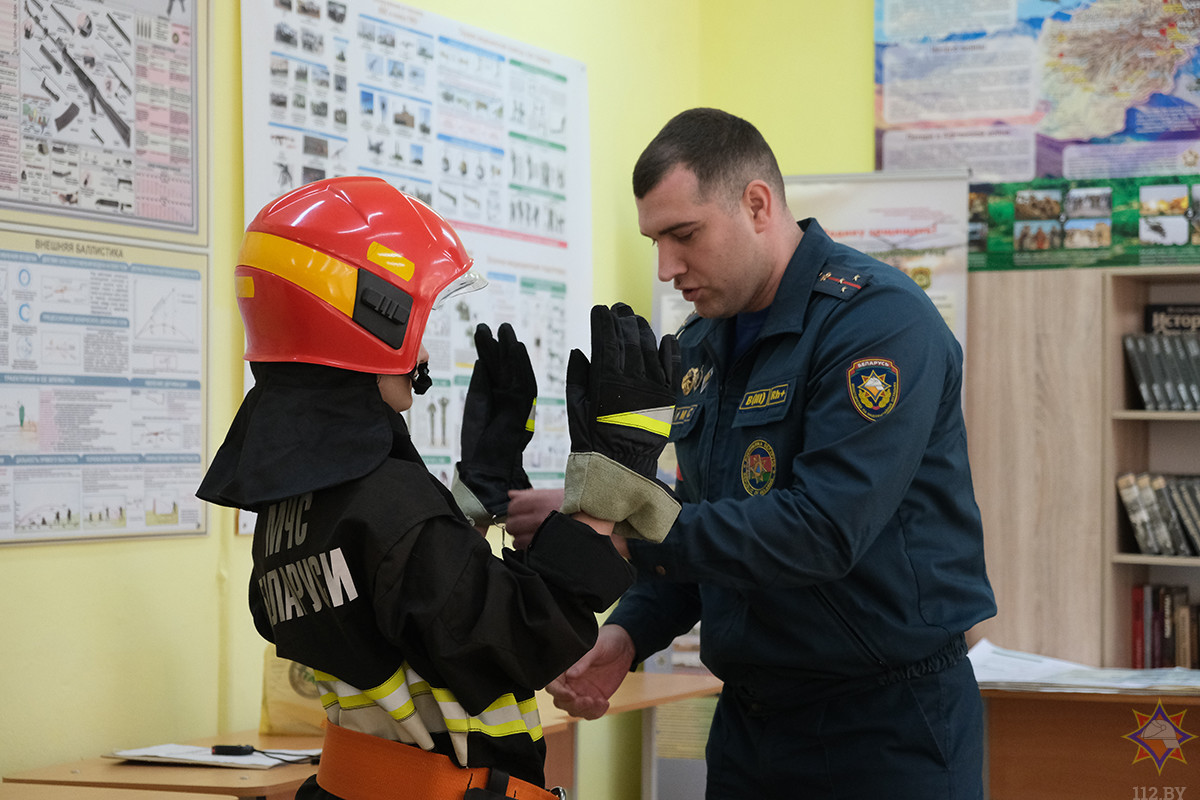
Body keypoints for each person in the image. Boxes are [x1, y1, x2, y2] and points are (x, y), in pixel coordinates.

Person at [506, 108, 997, 799]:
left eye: (684, 235)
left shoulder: (875, 323)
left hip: (886, 728)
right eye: (655, 241)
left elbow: (821, 531)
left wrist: (618, 526)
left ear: (757, 204)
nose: (667, 267)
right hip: (752, 723)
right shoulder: (704, 345)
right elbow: (704, 530)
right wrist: (624, 637)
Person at [196, 176, 676, 800]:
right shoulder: (383, 499)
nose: (422, 343)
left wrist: (478, 495)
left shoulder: (293, 501)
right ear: (373, 316)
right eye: (418, 315)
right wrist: (610, 487)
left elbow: (420, 616)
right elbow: (516, 641)